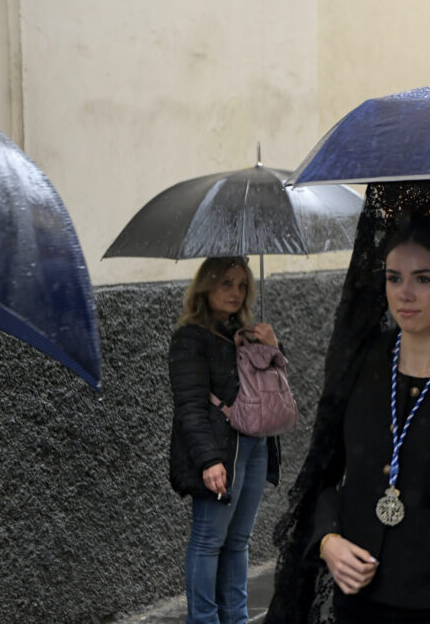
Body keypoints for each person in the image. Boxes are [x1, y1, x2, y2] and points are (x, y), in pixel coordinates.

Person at [266, 181, 430, 624]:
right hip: (362, 606)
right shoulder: (363, 361)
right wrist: (328, 540)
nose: (404, 294)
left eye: (423, 279)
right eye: (394, 278)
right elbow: (325, 474)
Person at [168, 256, 282, 624]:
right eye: (226, 283)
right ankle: (204, 619)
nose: (235, 292)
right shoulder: (190, 338)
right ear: (206, 286)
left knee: (239, 542)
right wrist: (208, 460)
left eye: (242, 285)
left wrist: (272, 346)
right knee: (208, 540)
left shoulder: (247, 332)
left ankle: (235, 618)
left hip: (255, 444)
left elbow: (276, 388)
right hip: (220, 452)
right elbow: (189, 406)